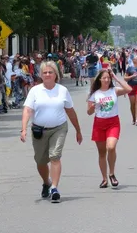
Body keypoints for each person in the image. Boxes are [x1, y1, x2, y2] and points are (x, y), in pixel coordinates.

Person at [20, 61, 83, 203]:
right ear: (41, 75)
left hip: (59, 128)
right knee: (40, 161)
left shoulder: (62, 90)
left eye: (50, 72)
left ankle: (54, 188)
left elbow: (70, 111)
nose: (47, 75)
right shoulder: (35, 91)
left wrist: (78, 130)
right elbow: (28, 110)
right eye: (45, 72)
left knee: (55, 156)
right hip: (39, 130)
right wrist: (23, 128)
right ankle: (46, 182)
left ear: (56, 74)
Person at [87, 68, 132, 189]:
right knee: (102, 153)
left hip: (113, 123)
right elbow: (89, 112)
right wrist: (93, 107)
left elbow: (129, 89)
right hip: (99, 124)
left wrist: (116, 77)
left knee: (111, 147)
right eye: (104, 78)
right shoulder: (94, 94)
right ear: (100, 79)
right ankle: (104, 179)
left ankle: (112, 173)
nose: (106, 80)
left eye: (108, 78)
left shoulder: (114, 90)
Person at [124, 56, 137, 125]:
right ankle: (133, 118)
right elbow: (125, 78)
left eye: (135, 59)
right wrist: (132, 77)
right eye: (133, 59)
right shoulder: (129, 68)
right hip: (131, 87)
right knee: (132, 104)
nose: (134, 60)